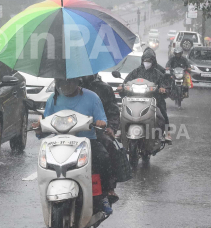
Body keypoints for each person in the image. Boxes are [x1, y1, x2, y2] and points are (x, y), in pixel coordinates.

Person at [34, 78, 114, 215]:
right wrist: (39, 128)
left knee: (103, 157)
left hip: (86, 141)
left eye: (69, 82)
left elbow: (102, 119)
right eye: (61, 82)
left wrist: (101, 123)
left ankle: (104, 195)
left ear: (77, 82)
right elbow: (45, 121)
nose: (65, 85)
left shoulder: (92, 97)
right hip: (58, 142)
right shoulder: (53, 98)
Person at [80, 74, 121, 203]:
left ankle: (108, 188)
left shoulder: (103, 89)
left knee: (107, 149)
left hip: (94, 132)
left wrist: (110, 127)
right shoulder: (63, 88)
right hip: (68, 133)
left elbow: (112, 112)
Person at [123, 48, 172, 142]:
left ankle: (166, 132)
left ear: (153, 61)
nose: (147, 62)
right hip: (135, 99)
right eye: (145, 61)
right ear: (142, 61)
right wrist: (122, 86)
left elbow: (165, 84)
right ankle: (120, 130)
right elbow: (127, 81)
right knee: (123, 110)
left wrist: (163, 89)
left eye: (149, 61)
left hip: (154, 99)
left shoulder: (158, 73)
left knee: (162, 113)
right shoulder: (136, 72)